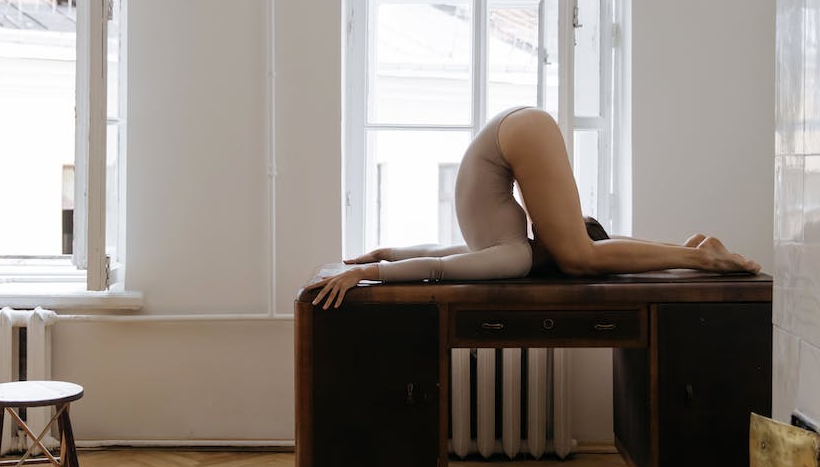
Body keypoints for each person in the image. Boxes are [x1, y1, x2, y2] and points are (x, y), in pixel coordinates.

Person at [309, 106, 760, 310]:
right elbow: (442, 264)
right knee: (581, 258)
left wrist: (381, 260)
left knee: (581, 256)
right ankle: (697, 255)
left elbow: (443, 260)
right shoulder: (513, 252)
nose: (559, 228)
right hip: (515, 133)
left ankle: (694, 252)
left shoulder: (512, 253)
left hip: (513, 130)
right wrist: (376, 266)